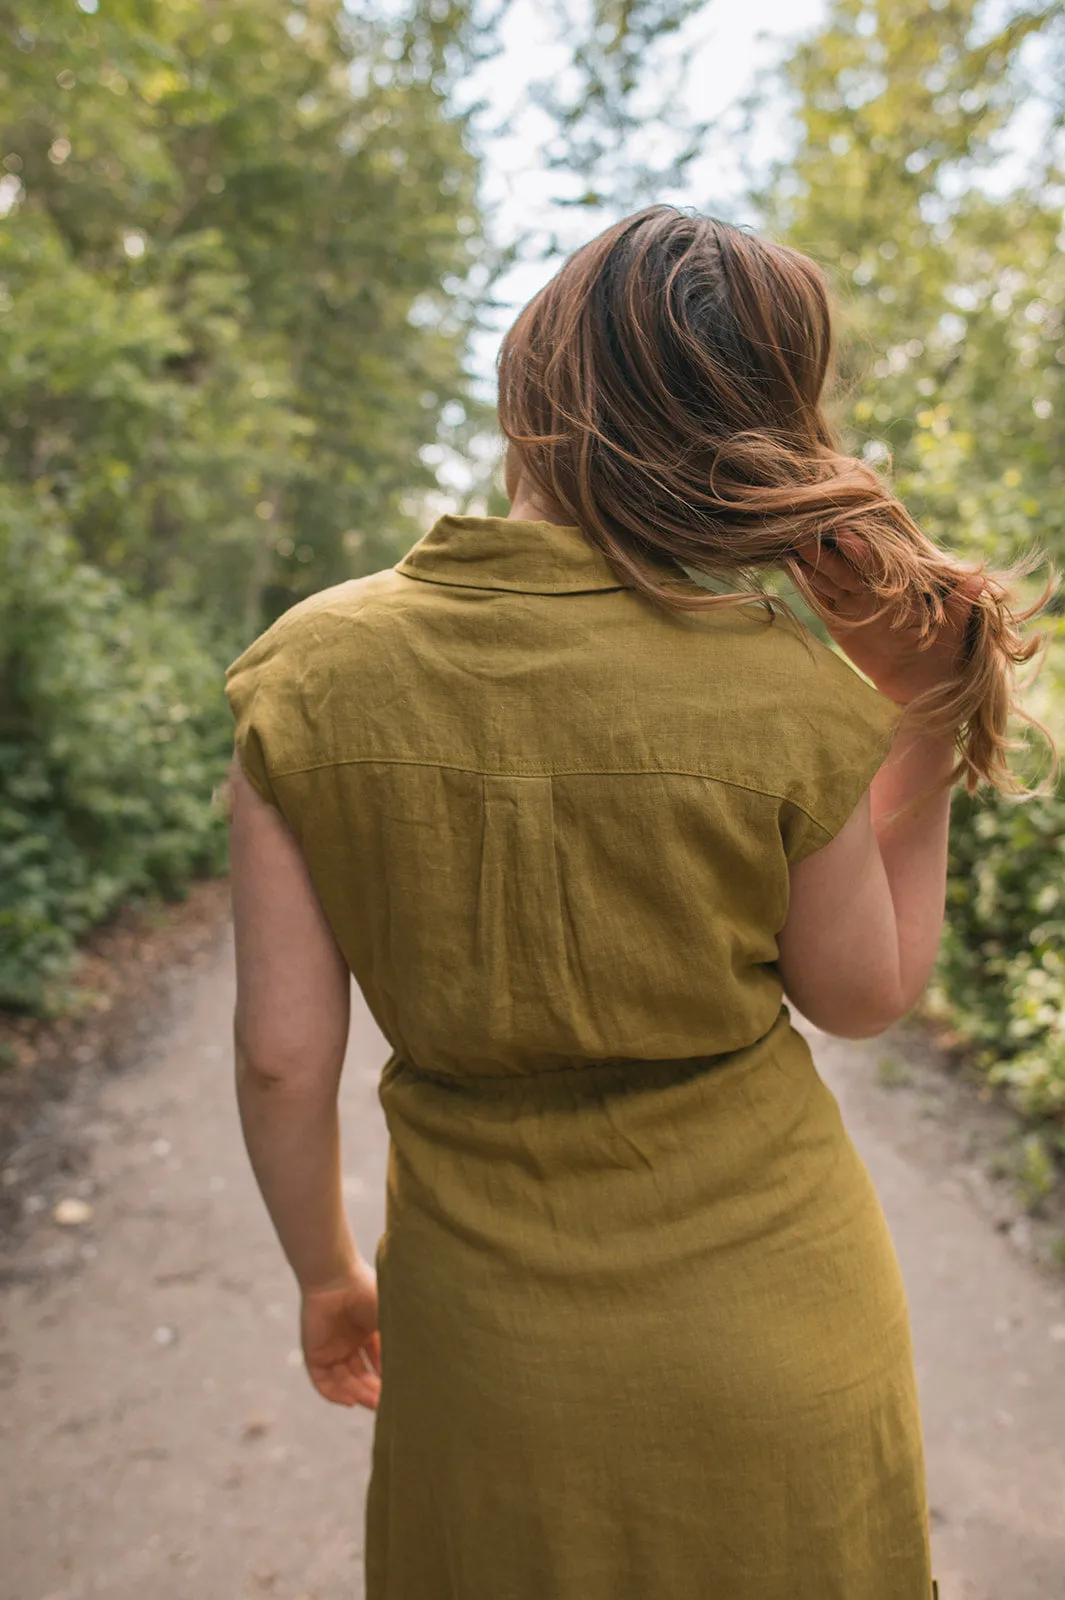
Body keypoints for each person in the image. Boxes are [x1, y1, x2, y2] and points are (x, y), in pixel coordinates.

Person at [224, 205, 1059, 1600]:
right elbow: (861, 997)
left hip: (490, 1352)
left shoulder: (308, 674)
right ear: (761, 431)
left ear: (529, 383)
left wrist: (327, 1272)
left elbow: (279, 1057)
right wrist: (918, 713)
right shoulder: (790, 691)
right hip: (783, 1325)